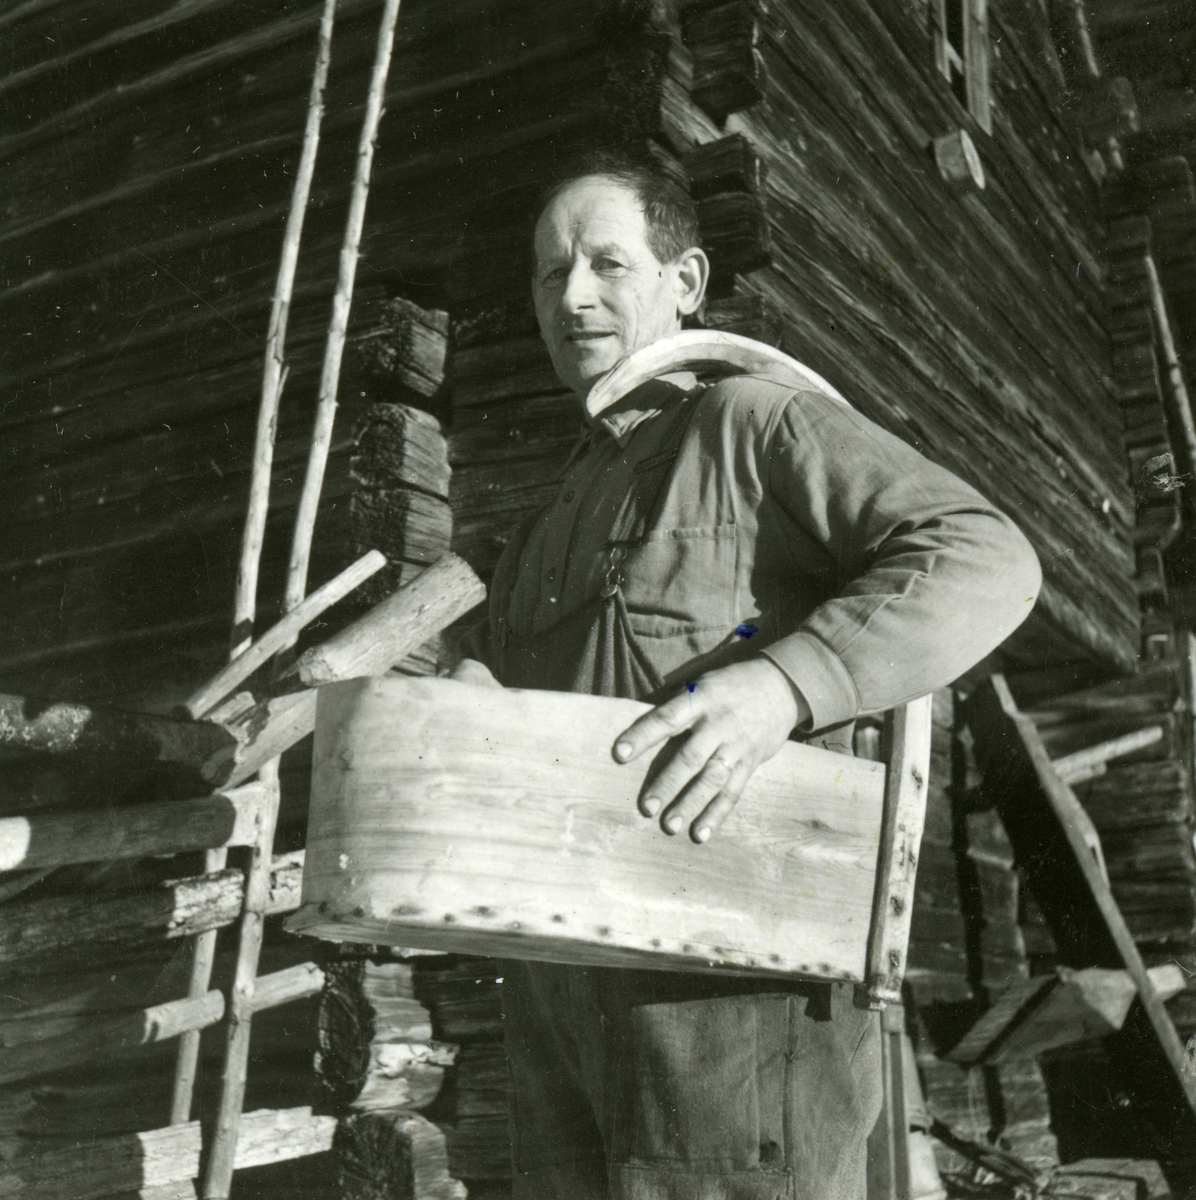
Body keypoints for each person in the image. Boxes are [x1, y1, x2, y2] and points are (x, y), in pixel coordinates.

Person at [454, 150, 1041, 1200]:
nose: (572, 295)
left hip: (733, 996)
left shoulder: (751, 422)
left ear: (684, 282)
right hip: (564, 989)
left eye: (606, 264)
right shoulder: (552, 511)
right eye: (549, 273)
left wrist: (782, 686)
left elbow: (984, 555)